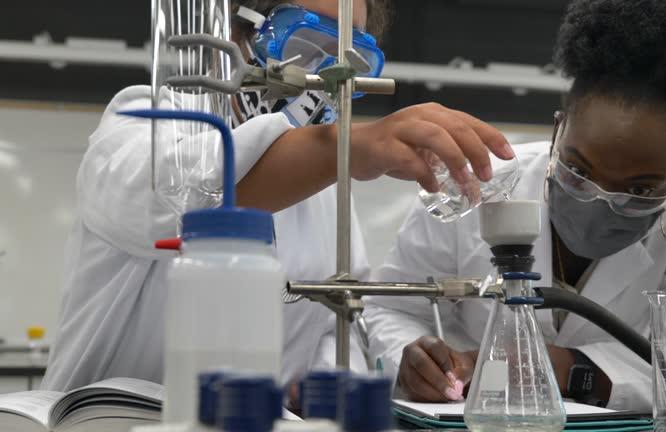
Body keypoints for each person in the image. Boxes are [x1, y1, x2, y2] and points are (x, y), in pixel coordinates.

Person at [41, 0, 514, 392]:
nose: (325, 79)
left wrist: (326, 382)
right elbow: (180, 195)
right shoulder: (146, 120)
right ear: (236, 35)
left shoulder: (325, 188)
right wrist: (344, 149)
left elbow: (332, 325)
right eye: (306, 45)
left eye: (346, 60)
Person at [364, 0, 666, 411]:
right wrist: (412, 359)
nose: (599, 201)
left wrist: (569, 370)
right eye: (578, 170)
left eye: (640, 190)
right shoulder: (476, 183)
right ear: (558, 129)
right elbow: (389, 309)